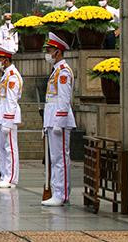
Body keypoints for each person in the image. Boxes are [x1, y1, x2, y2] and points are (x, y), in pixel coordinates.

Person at [42, 32, 76, 207]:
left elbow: (64, 98)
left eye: (50, 49)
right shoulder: (56, 71)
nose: (47, 53)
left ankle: (61, 194)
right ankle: (58, 191)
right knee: (56, 158)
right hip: (52, 117)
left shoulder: (63, 72)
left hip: (59, 120)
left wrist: (59, 122)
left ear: (58, 52)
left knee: (60, 158)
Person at [0, 45, 22, 189]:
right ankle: (4, 174)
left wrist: (8, 121)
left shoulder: (12, 76)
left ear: (5, 60)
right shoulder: (6, 75)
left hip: (8, 116)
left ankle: (11, 178)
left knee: (10, 147)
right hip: (1, 115)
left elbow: (11, 100)